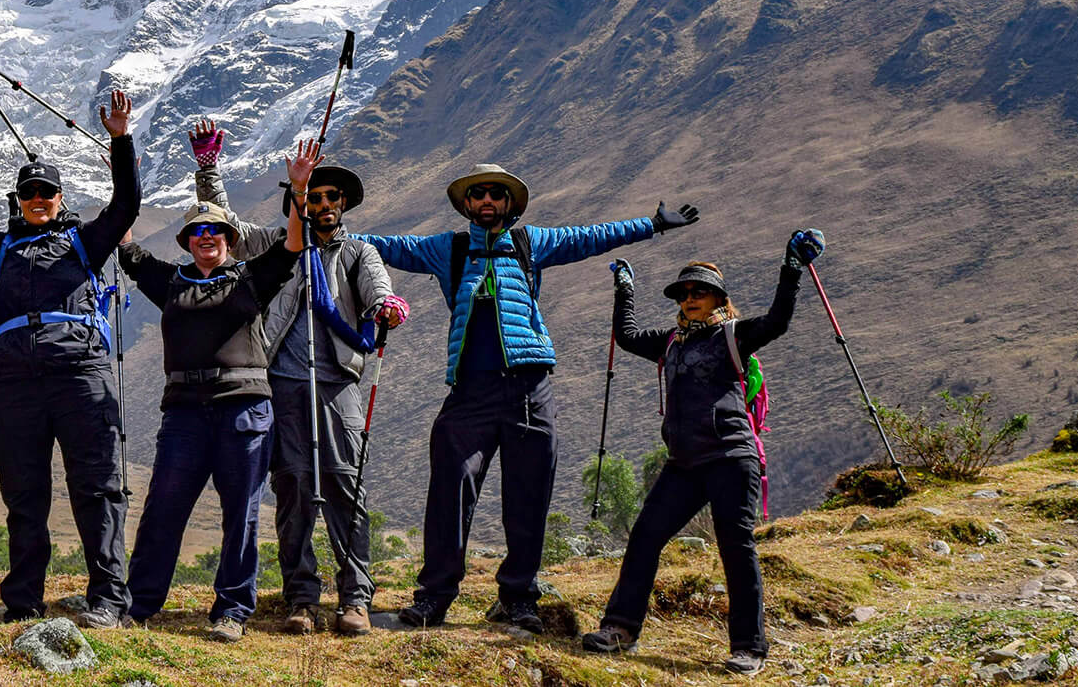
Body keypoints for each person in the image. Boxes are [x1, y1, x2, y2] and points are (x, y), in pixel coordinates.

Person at [352, 165, 698, 631]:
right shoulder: (447, 248)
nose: (488, 200)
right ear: (467, 204)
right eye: (479, 194)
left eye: (496, 194)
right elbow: (387, 246)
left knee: (529, 493)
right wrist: (329, 228)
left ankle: (519, 598)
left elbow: (588, 237)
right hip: (469, 389)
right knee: (450, 488)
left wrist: (651, 225)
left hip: (530, 387)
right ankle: (435, 596)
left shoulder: (531, 243)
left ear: (509, 203)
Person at [0, 89, 139, 628]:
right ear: (18, 200)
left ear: (60, 197)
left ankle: (109, 600)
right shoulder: (0, 249)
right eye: (29, 192)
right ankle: (23, 601)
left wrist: (120, 139)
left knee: (97, 488)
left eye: (47, 192)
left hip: (81, 378)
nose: (38, 198)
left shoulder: (87, 243)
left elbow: (127, 204)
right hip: (15, 384)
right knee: (24, 494)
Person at [188, 120, 407, 636]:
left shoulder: (358, 253)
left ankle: (355, 598)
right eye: (315, 195)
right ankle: (301, 599)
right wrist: (207, 170)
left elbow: (377, 289)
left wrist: (385, 306)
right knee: (293, 490)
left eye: (333, 197)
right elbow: (230, 230)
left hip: (337, 386)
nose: (324, 204)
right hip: (281, 386)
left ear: (344, 205)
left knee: (346, 489)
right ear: (302, 200)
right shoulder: (276, 244)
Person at [582, 230, 824, 677]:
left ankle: (749, 648)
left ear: (718, 299)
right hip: (684, 464)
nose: (691, 298)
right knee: (645, 537)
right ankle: (620, 629)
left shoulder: (734, 335)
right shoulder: (671, 341)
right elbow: (628, 335)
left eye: (701, 292)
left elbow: (778, 321)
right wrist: (625, 289)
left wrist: (791, 268)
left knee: (736, 547)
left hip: (732, 457)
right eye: (685, 292)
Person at [115, 139, 320, 643]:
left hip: (245, 411)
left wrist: (299, 188)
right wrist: (125, 178)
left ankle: (231, 609)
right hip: (184, 413)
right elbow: (126, 248)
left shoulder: (253, 278)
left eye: (216, 231)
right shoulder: (169, 282)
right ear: (187, 241)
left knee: (241, 512)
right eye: (197, 232)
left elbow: (293, 244)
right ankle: (139, 605)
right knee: (164, 505)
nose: (207, 237)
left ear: (229, 238)